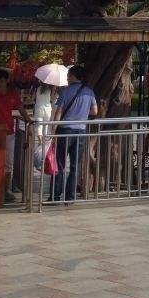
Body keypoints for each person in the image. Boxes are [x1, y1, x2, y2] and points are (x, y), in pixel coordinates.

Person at [51, 65, 97, 202]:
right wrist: (82, 114)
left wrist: (53, 129)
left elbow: (59, 112)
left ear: (73, 76)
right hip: (81, 131)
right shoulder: (89, 92)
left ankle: (55, 195)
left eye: (68, 75)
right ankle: (70, 197)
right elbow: (95, 111)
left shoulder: (65, 91)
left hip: (64, 131)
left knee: (59, 164)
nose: (67, 78)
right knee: (74, 166)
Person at [0, 68, 26, 202]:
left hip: (8, 133)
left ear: (7, 81)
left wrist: (28, 120)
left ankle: (6, 190)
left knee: (8, 163)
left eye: (3, 81)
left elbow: (20, 108)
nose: (1, 83)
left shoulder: (13, 93)